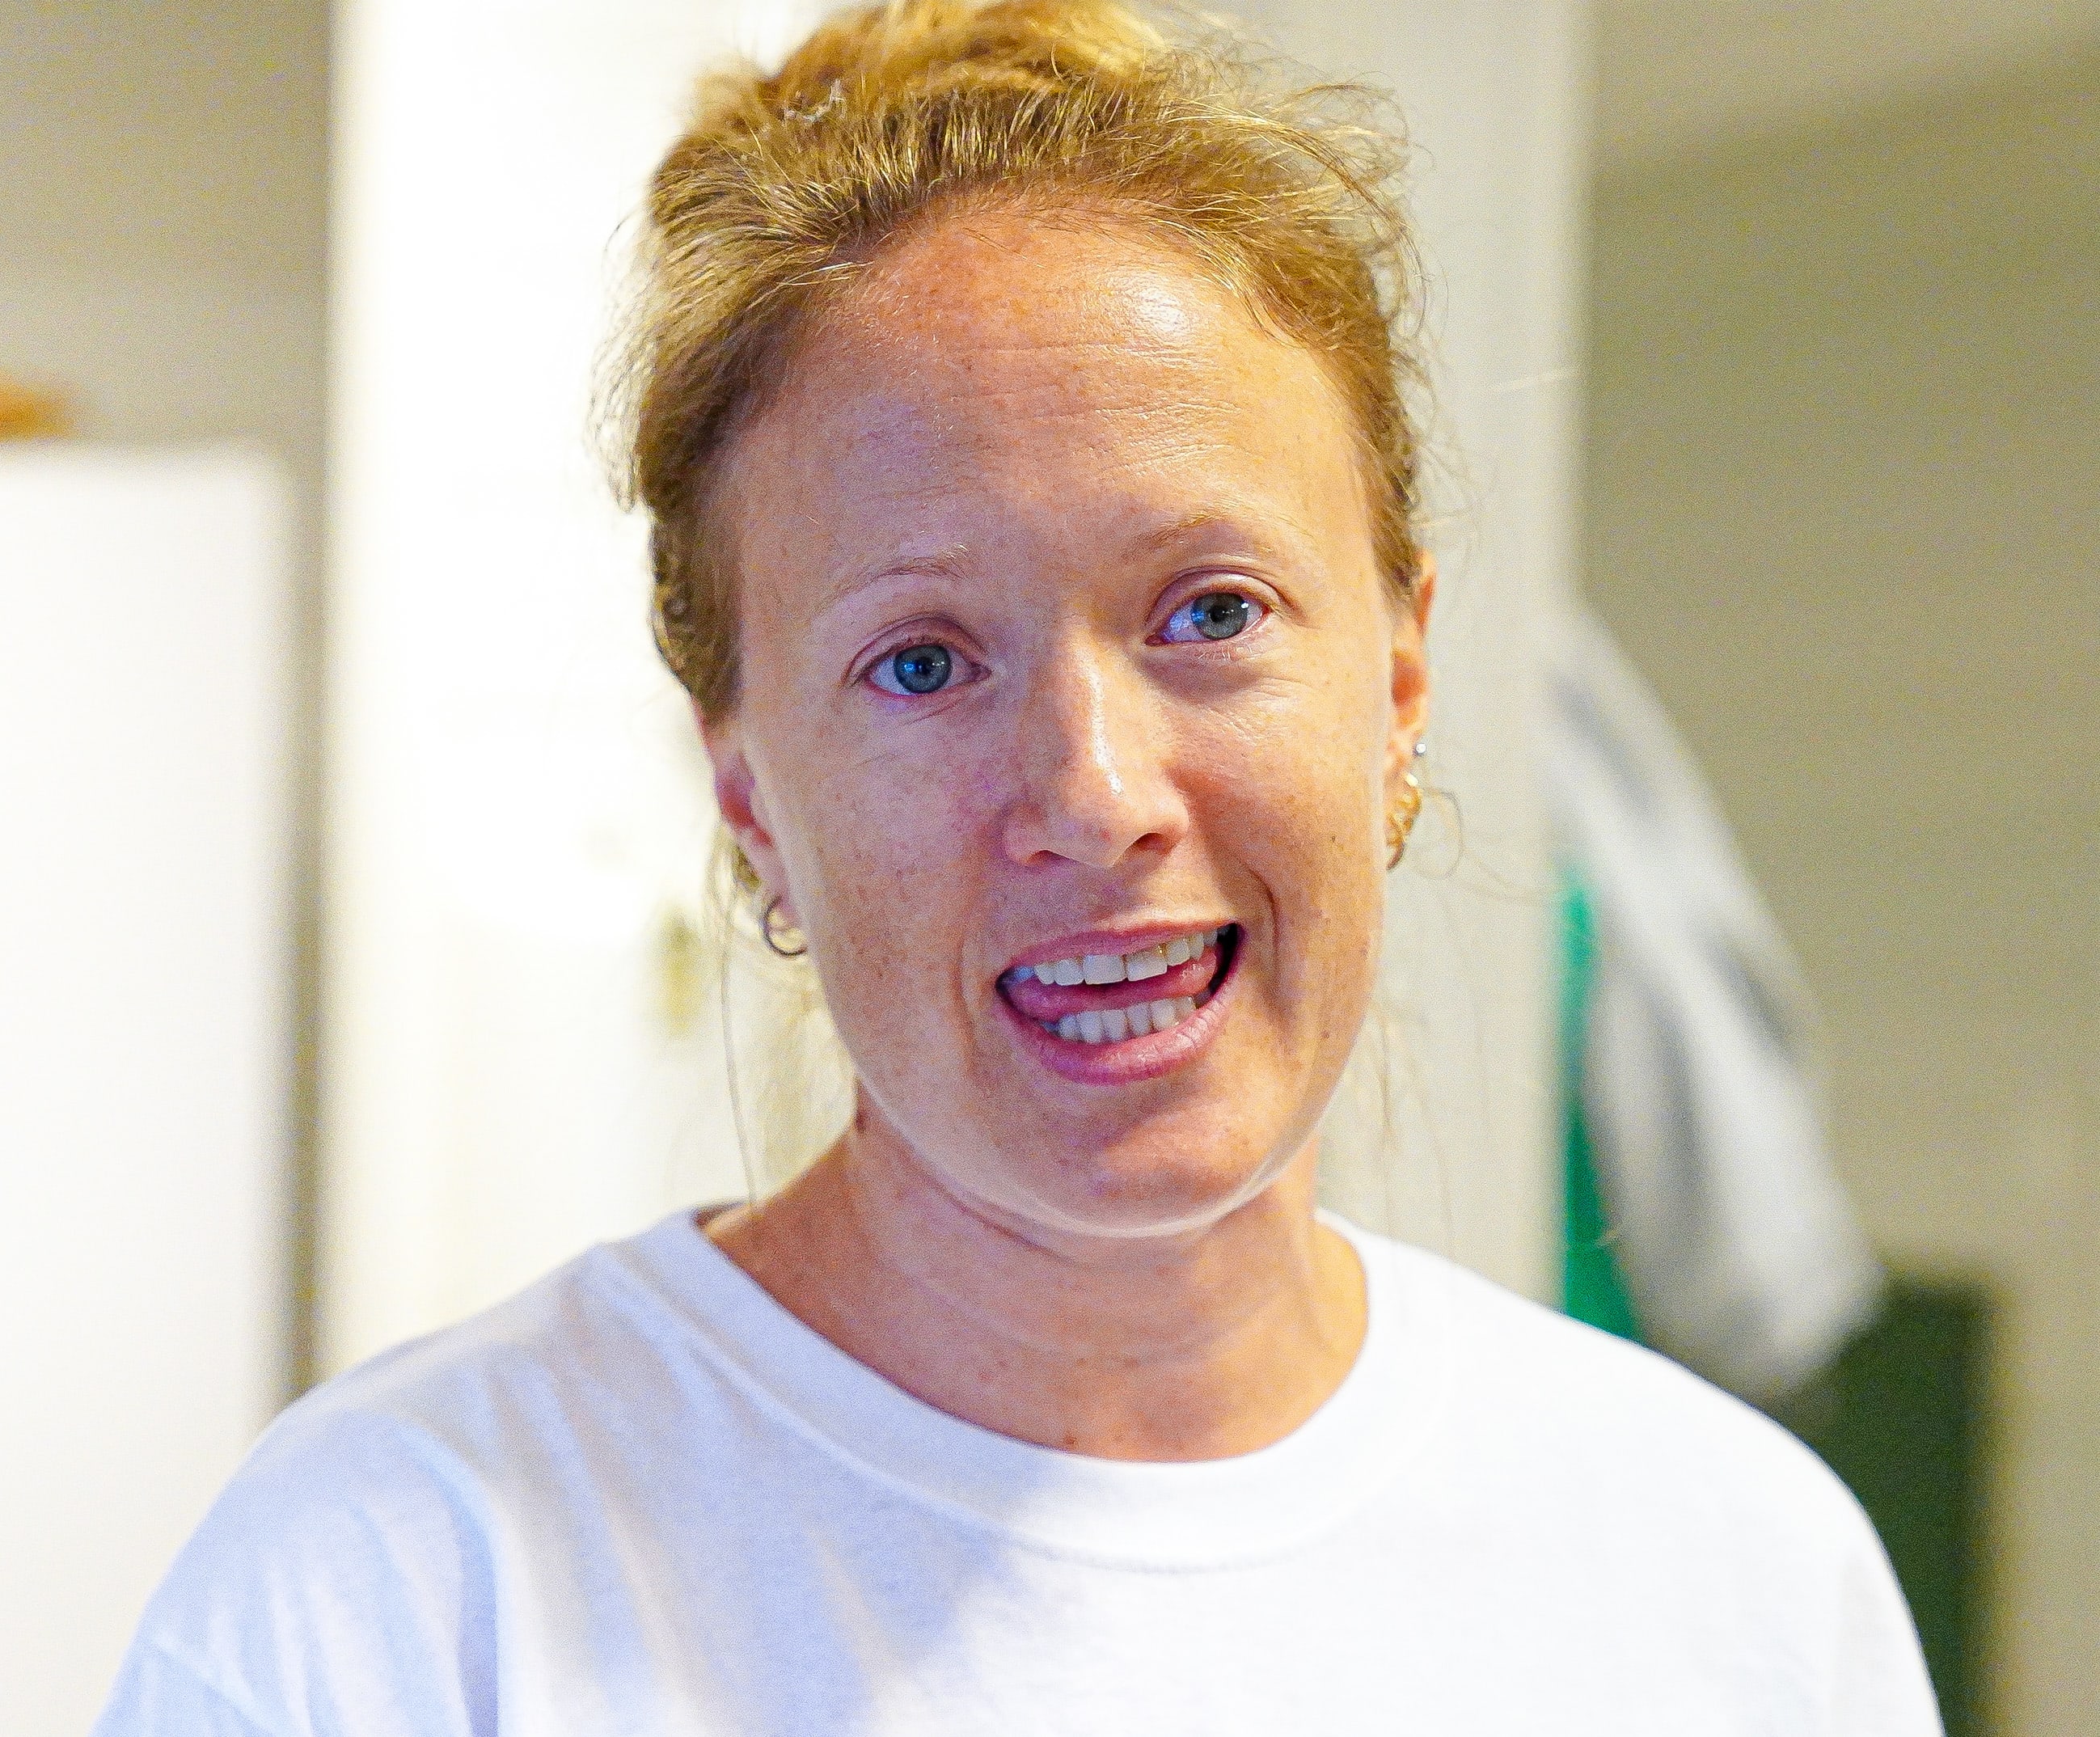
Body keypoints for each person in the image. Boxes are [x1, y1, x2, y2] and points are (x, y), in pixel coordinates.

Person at [95, 2, 1942, 1731]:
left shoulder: (1734, 1584)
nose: (1094, 791)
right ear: (751, 801)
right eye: (922, 663)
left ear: (1397, 688)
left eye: (1209, 611)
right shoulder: (400, 1588)